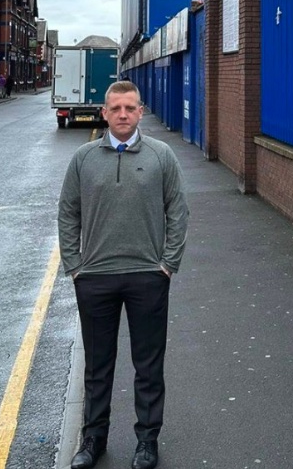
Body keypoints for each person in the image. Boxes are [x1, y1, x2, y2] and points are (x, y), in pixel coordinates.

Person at [58, 82, 189, 469]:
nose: (122, 114)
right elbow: (68, 213)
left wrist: (167, 264)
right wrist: (75, 266)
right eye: (115, 108)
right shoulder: (83, 159)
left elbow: (178, 212)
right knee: (98, 366)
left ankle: (147, 441)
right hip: (95, 277)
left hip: (148, 275)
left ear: (140, 110)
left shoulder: (161, 156)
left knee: (148, 365)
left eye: (129, 108)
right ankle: (93, 440)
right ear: (104, 113)